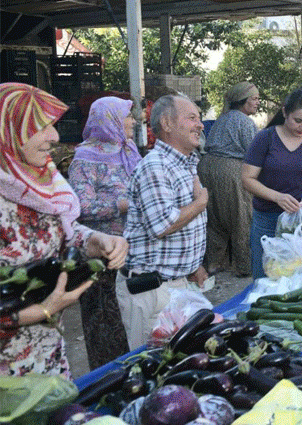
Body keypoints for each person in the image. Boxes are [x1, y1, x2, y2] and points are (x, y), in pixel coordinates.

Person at [0, 83, 128, 377]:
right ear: (8, 131)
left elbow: (63, 230)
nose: (54, 137)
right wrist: (42, 310)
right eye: (41, 128)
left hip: (49, 357)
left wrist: (94, 239)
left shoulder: (39, 180)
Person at [119, 94, 210, 349]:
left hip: (176, 285)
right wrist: (200, 204)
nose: (200, 125)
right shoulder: (156, 166)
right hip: (151, 291)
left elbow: (186, 227)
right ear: (167, 124)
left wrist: (194, 265)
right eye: (192, 118)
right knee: (153, 366)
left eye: (199, 118)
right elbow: (162, 226)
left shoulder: (186, 162)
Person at [68, 96, 140, 369]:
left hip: (131, 251)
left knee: (131, 322)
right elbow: (81, 208)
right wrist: (123, 204)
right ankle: (108, 382)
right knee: (105, 327)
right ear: (109, 121)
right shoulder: (85, 159)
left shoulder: (128, 149)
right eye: (126, 116)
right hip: (102, 257)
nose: (132, 121)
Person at [243, 90, 302, 279]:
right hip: (267, 220)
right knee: (266, 276)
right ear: (285, 112)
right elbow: (247, 179)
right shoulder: (265, 139)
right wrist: (277, 197)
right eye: (298, 121)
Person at [197, 82, 260, 277]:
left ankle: (215, 263)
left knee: (214, 217)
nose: (258, 103)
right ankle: (244, 266)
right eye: (255, 99)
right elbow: (253, 152)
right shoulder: (245, 122)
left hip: (207, 167)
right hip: (230, 170)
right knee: (241, 216)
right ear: (242, 101)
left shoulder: (222, 119)